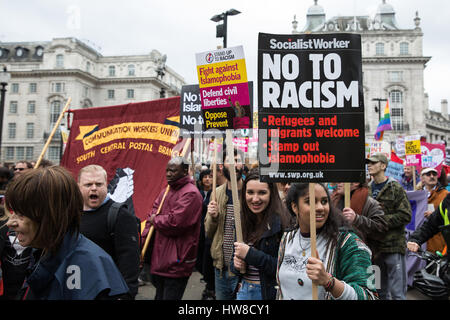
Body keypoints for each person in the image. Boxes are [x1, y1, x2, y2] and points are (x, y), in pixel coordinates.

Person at [4, 166, 130, 300]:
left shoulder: (86, 265)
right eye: (13, 213)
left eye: (21, 214)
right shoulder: (44, 251)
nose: (10, 223)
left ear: (50, 215)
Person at [276, 182, 378, 300]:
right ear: (295, 207)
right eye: (310, 201)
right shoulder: (288, 238)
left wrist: (328, 281)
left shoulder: (348, 243)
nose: (320, 207)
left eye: (324, 201)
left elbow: (370, 296)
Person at [142, 157, 203, 300]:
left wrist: (155, 219)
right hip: (160, 258)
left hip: (176, 261)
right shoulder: (167, 190)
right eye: (167, 170)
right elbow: (154, 210)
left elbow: (175, 223)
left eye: (173, 171)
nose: (169, 174)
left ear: (185, 171)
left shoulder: (191, 193)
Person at [77, 164, 140, 299]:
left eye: (99, 184)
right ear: (79, 187)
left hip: (107, 293)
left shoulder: (121, 216)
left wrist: (126, 295)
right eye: (88, 184)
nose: (94, 188)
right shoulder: (70, 215)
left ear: (106, 185)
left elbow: (129, 262)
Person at [230, 170, 293, 300]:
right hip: (243, 290)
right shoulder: (240, 220)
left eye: (262, 193)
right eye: (250, 192)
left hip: (269, 293)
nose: (255, 199)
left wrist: (251, 255)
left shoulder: (283, 223)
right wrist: (236, 265)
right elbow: (235, 259)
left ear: (271, 194)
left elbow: (286, 268)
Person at [366, 153, 412, 300]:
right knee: (378, 292)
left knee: (397, 293)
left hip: (393, 247)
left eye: (373, 162)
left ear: (383, 166)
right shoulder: (366, 190)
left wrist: (381, 221)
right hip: (374, 249)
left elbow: (405, 215)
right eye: (369, 163)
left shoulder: (395, 187)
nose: (369, 165)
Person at [205, 147, 245, 300]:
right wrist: (213, 217)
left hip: (244, 270)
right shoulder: (216, 194)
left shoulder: (251, 192)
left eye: (238, 161)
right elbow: (208, 232)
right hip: (221, 269)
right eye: (231, 161)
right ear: (222, 166)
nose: (235, 165)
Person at [331, 182, 387, 257]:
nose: (338, 183)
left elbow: (381, 229)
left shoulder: (370, 203)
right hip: (336, 254)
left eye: (342, 181)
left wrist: (357, 219)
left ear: (355, 183)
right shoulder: (333, 201)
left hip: (362, 256)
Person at [418, 167, 448, 254]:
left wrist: (435, 215)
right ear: (422, 178)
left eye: (434, 174)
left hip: (438, 240)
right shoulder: (416, 194)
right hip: (421, 239)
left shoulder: (445, 194)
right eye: (428, 174)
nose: (432, 176)